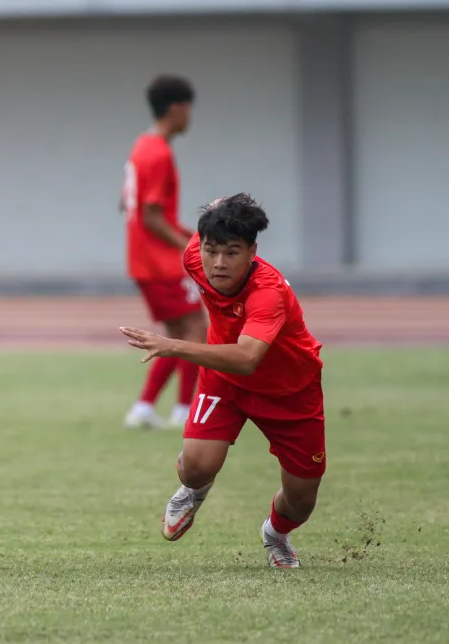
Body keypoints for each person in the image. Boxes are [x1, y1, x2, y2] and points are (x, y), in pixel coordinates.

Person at [119, 194, 325, 568]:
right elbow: (208, 226)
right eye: (212, 250)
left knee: (301, 500)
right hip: (224, 379)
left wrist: (174, 346)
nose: (218, 262)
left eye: (232, 252)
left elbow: (247, 357)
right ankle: (193, 491)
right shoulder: (195, 257)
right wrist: (220, 206)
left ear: (252, 252)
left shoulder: (269, 292)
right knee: (196, 466)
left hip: (290, 391)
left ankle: (275, 534)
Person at [120, 74, 207, 430]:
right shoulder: (158, 152)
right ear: (176, 108)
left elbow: (128, 204)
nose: (190, 117)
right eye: (189, 109)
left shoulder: (142, 146)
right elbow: (151, 215)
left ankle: (143, 408)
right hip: (160, 263)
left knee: (174, 336)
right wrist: (187, 245)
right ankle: (185, 411)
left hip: (142, 260)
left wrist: (191, 231)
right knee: (196, 328)